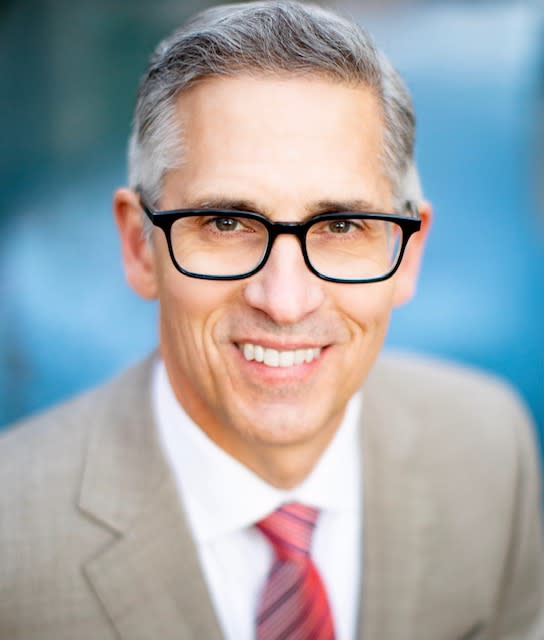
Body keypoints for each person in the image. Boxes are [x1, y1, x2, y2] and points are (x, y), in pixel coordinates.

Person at [1, 1, 543, 638]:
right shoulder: (14, 537)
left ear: (408, 255)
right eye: (226, 222)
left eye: (342, 226)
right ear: (138, 246)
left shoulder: (492, 448)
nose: (285, 301)